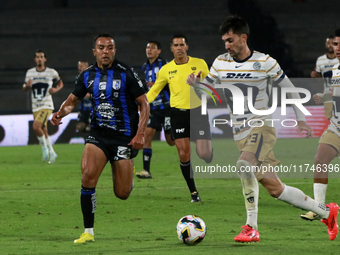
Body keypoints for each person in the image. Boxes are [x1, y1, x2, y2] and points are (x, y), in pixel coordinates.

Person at [187, 16, 339, 242]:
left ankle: (251, 227)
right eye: (224, 41)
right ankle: (327, 213)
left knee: (243, 165)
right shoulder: (219, 63)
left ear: (243, 38)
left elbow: (289, 90)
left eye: (230, 40)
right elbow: (207, 93)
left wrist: (300, 119)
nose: (226, 45)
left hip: (261, 127)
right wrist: (196, 85)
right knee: (276, 189)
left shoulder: (266, 62)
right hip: (239, 133)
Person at [51, 33, 149, 243]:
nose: (106, 51)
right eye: (101, 47)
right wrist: (59, 113)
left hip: (124, 137)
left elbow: (144, 103)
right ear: (94, 51)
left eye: (110, 47)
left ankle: (126, 168)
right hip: (98, 135)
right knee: (87, 177)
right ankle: (88, 232)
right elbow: (72, 99)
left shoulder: (126, 73)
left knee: (122, 193)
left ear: (115, 50)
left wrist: (141, 133)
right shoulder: (86, 75)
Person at [147, 34, 213, 202]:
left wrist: (199, 84)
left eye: (182, 44)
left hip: (198, 111)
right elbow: (155, 90)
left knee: (204, 154)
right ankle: (193, 193)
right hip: (177, 113)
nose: (179, 48)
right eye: (176, 45)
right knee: (184, 154)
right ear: (171, 48)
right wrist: (142, 103)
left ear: (187, 47)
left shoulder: (200, 64)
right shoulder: (166, 70)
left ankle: (202, 145)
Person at [302, 29, 340, 221]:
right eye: (336, 44)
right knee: (320, 160)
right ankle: (319, 208)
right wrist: (324, 96)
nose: (337, 49)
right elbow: (335, 93)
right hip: (337, 127)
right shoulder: (336, 70)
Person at [135, 40, 175, 179]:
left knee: (171, 142)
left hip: (168, 107)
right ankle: (146, 171)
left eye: (153, 48)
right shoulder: (145, 66)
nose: (149, 50)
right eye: (147, 47)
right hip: (154, 108)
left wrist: (159, 84)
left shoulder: (165, 64)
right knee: (147, 136)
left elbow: (173, 82)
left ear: (159, 51)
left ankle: (186, 138)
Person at [23, 49, 64, 163]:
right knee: (43, 129)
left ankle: (45, 150)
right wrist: (27, 86)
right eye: (37, 57)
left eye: (41, 57)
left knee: (36, 127)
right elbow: (25, 87)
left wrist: (56, 89)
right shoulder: (30, 73)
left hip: (46, 104)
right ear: (35, 59)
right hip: (35, 105)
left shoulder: (51, 72)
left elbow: (60, 82)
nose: (39, 59)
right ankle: (52, 153)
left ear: (45, 59)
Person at [310, 35, 338, 120]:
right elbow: (319, 79)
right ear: (325, 44)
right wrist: (315, 76)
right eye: (328, 43)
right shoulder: (320, 60)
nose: (330, 45)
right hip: (327, 94)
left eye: (333, 43)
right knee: (330, 119)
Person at [75, 61, 92, 137]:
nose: (79, 68)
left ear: (86, 67)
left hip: (93, 108)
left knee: (93, 126)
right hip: (83, 108)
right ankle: (89, 135)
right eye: (79, 66)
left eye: (81, 66)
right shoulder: (78, 79)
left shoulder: (93, 77)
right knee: (80, 127)